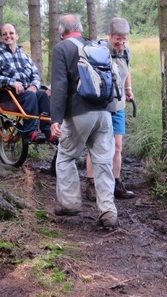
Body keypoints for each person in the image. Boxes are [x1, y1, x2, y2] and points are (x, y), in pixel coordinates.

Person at [50, 14, 119, 231]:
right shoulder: (96, 46)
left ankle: (70, 203)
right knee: (103, 162)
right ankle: (108, 211)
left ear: (62, 31)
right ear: (80, 29)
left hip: (80, 112)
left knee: (66, 156)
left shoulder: (62, 49)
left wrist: (56, 119)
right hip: (105, 113)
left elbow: (60, 86)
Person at [85, 17, 135, 201]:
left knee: (117, 146)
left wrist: (128, 90)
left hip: (119, 105)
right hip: (100, 105)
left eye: (124, 39)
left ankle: (116, 183)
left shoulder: (127, 51)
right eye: (118, 39)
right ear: (109, 35)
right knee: (95, 144)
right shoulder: (99, 51)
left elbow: (126, 70)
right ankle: (91, 184)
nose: (121, 43)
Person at [0, 23, 52, 142]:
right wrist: (12, 83)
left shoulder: (24, 56)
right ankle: (30, 132)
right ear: (1, 38)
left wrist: (34, 86)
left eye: (11, 33)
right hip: (7, 95)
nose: (8, 36)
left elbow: (35, 74)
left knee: (42, 94)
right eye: (4, 34)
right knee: (30, 96)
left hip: (25, 93)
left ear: (17, 36)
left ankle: (48, 131)